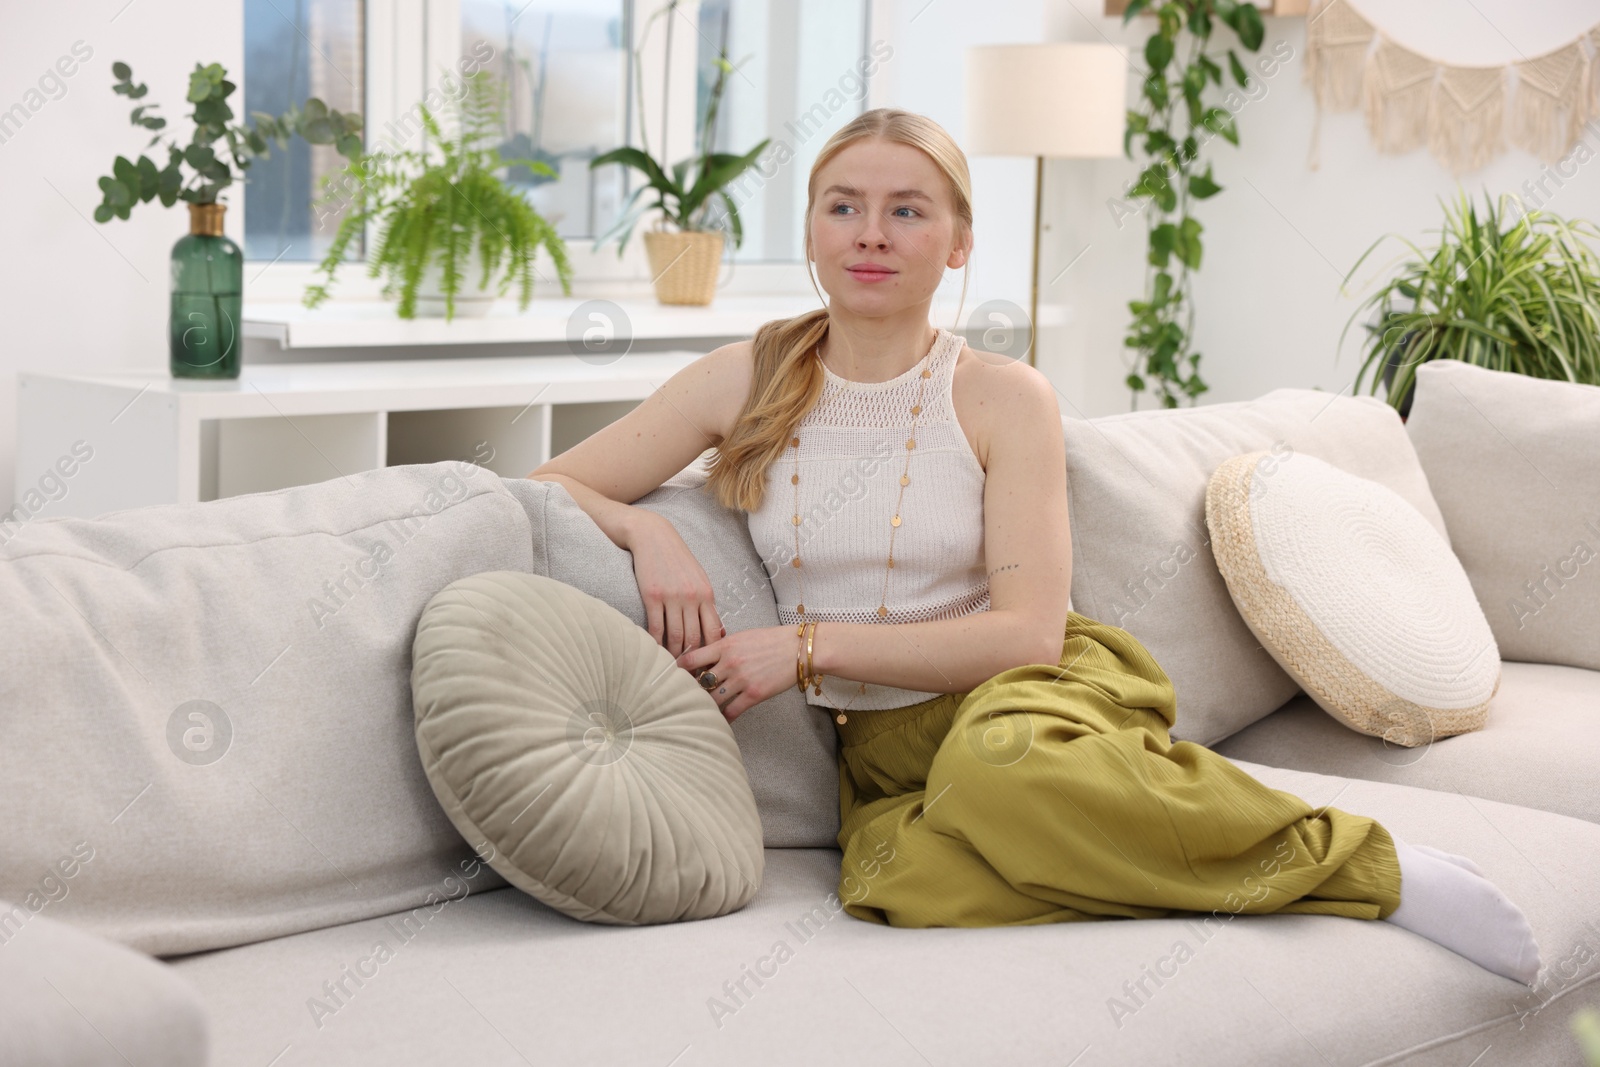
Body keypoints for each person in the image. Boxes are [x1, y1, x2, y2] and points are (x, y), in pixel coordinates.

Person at [527, 108, 1542, 986]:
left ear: (959, 241)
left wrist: (800, 649)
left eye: (906, 210)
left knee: (999, 770)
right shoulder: (742, 377)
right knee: (894, 884)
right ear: (809, 230)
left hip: (1022, 695)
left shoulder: (1003, 397)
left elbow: (1023, 634)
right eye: (841, 206)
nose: (868, 234)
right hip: (877, 749)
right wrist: (647, 526)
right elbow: (550, 483)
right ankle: (1162, 834)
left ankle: (1369, 863)